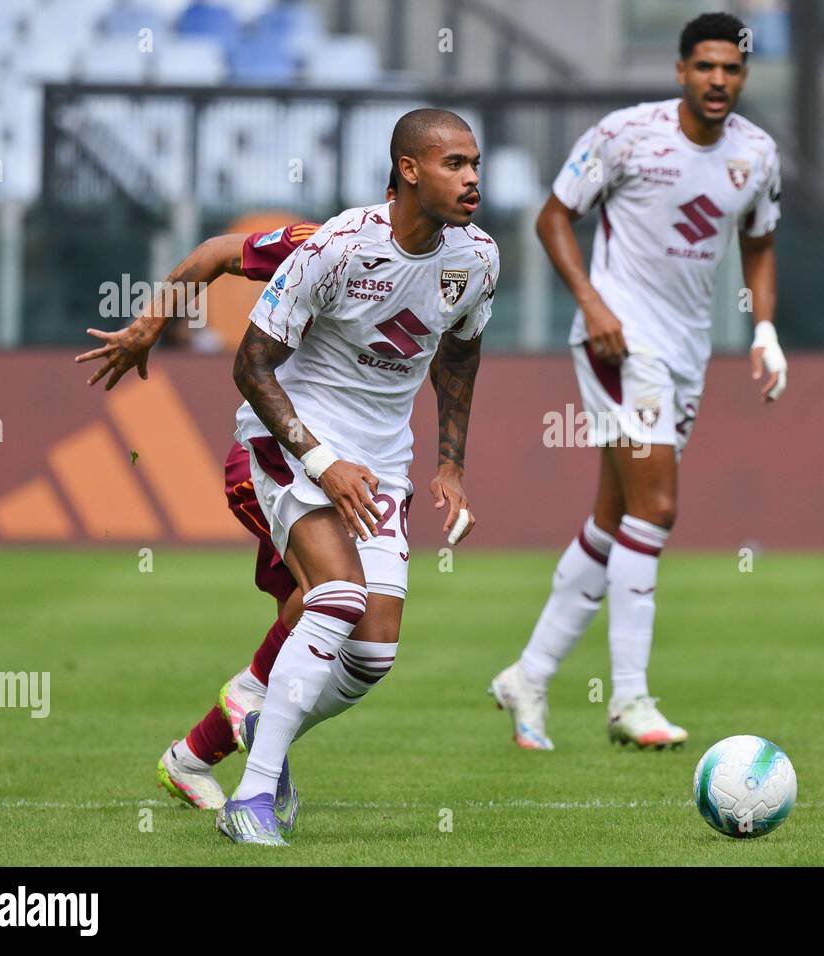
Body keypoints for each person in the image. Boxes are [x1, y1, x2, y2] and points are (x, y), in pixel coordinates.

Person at [489, 12, 787, 751]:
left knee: (613, 518)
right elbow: (553, 217)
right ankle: (630, 700)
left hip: (687, 353)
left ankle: (528, 675)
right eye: (706, 66)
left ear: (742, 78)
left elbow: (760, 243)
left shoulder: (756, 153)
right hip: (619, 343)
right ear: (681, 71)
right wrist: (591, 305)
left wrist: (765, 331)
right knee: (656, 507)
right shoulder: (626, 134)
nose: (719, 80)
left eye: (733, 69)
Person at [75, 175, 398, 810]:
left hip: (351, 459)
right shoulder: (326, 244)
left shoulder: (447, 263)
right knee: (331, 596)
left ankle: (191, 757)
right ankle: (254, 708)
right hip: (278, 455)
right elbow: (216, 253)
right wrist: (149, 326)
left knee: (328, 611)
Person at [219, 108, 497, 844]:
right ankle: (247, 802)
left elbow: (460, 356)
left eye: (475, 164)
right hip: (292, 440)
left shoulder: (477, 261)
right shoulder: (337, 247)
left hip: (380, 466)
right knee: (337, 594)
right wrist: (321, 460)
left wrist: (450, 465)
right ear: (410, 169)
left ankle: (265, 733)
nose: (472, 178)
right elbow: (251, 365)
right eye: (454, 165)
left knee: (373, 653)